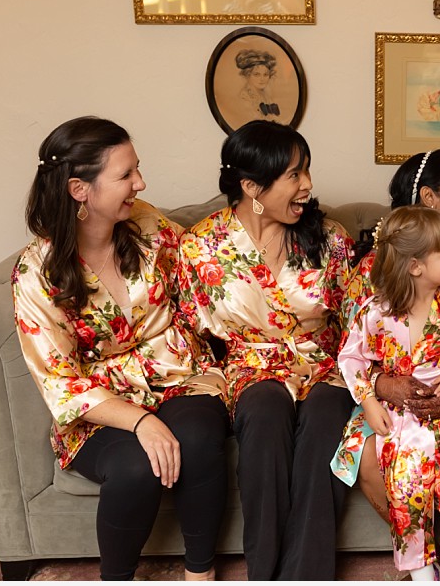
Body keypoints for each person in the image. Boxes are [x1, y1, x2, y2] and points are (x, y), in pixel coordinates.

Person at [12, 116, 229, 581]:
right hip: (100, 405)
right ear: (79, 189)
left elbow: (200, 281)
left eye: (138, 169)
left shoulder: (148, 223)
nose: (141, 182)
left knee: (199, 436)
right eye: (126, 174)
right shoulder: (36, 274)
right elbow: (62, 383)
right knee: (135, 468)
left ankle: (200, 574)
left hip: (177, 374)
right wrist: (141, 421)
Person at [175, 120, 356, 579]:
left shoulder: (328, 237)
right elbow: (192, 330)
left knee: (325, 417)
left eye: (307, 171)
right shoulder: (201, 247)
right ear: (252, 186)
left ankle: (306, 575)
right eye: (294, 175)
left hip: (323, 362)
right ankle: (265, 572)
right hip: (251, 366)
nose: (308, 185)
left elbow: (359, 317)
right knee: (265, 409)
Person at [331, 149, 440, 541]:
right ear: (430, 198)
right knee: (368, 454)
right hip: (396, 399)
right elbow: (355, 349)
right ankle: (423, 559)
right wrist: (386, 388)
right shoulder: (375, 270)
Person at [236, 49, 280, 120]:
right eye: (256, 74)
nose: (262, 79)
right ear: (248, 75)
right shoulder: (244, 98)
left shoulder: (266, 96)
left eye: (265, 74)